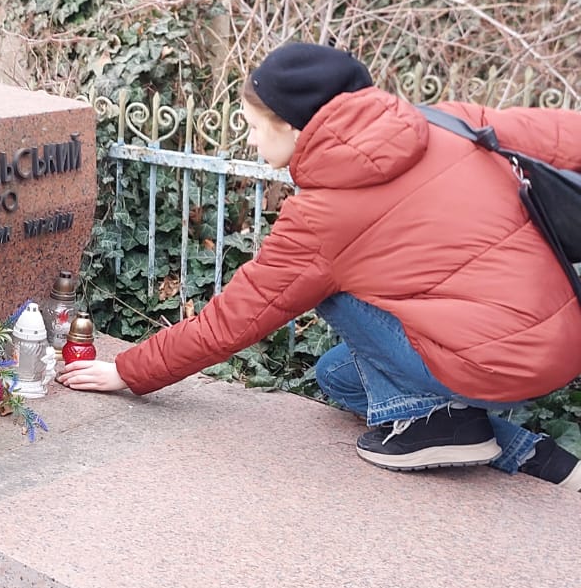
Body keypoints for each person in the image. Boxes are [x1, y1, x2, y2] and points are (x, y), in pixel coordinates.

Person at [57, 41, 581, 488]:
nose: (251, 140)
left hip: (490, 362)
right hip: (561, 340)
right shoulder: (447, 121)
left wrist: (126, 371)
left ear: (291, 126)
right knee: (336, 377)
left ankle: (455, 427)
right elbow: (567, 135)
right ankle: (528, 451)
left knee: (330, 290)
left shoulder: (322, 218)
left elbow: (233, 320)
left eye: (254, 127)